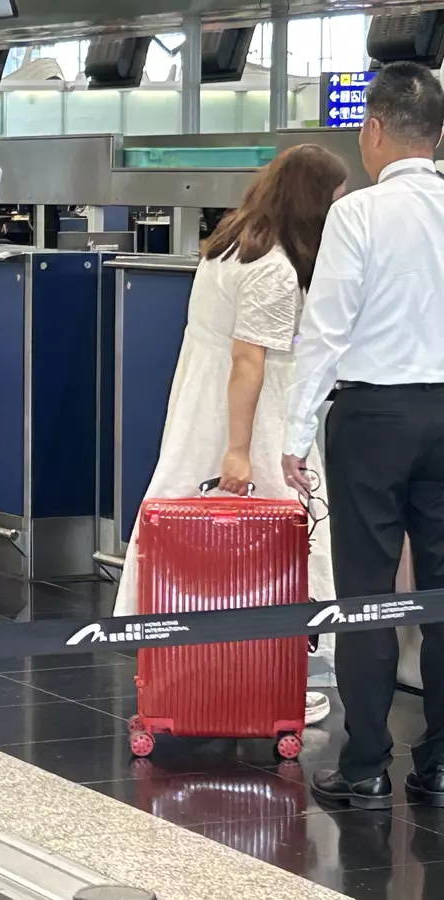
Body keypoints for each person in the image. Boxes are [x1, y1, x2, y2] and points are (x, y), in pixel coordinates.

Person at [113, 144, 349, 727]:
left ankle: (190, 657)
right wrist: (239, 451)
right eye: (335, 198)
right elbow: (249, 361)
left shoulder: (231, 242)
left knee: (187, 519)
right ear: (312, 201)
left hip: (203, 400)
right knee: (287, 531)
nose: (340, 208)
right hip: (251, 413)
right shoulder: (274, 267)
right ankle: (285, 672)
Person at [283, 62, 444, 811]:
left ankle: (367, 764)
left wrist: (294, 432)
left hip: (373, 417)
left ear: (374, 129)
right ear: (437, 135)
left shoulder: (357, 215)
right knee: (440, 595)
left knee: (367, 592)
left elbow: (325, 332)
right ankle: (440, 766)